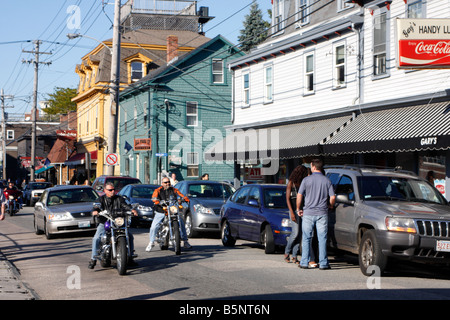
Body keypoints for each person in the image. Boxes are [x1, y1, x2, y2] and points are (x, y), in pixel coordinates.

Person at [89, 182, 138, 269]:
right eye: (110, 190)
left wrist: (131, 210)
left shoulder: (119, 199)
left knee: (130, 236)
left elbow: (125, 205)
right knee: (96, 238)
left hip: (117, 222)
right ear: (105, 190)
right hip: (105, 222)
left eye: (113, 190)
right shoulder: (101, 199)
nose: (112, 191)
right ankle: (93, 259)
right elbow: (95, 207)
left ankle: (130, 257)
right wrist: (95, 211)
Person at [296, 159, 335, 270]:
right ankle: (323, 263)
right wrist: (330, 206)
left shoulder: (306, 180)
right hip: (322, 213)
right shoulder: (327, 181)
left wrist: (298, 208)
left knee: (306, 238)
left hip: (308, 213)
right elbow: (332, 197)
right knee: (322, 239)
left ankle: (304, 262)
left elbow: (299, 195)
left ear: (313, 166)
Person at [145, 177, 192, 252]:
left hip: (172, 210)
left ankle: (185, 241)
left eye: (168, 182)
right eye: (166, 182)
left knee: (181, 222)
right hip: (161, 210)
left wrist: (184, 198)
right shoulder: (158, 190)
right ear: (162, 183)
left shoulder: (174, 190)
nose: (167, 184)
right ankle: (151, 242)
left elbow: (180, 195)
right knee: (154, 226)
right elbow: (154, 197)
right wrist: (157, 201)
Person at [284, 165, 314, 265]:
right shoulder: (291, 183)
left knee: (300, 234)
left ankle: (294, 255)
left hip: (302, 210)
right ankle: (287, 252)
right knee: (295, 233)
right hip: (293, 210)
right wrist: (292, 212)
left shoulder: (303, 183)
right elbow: (287, 199)